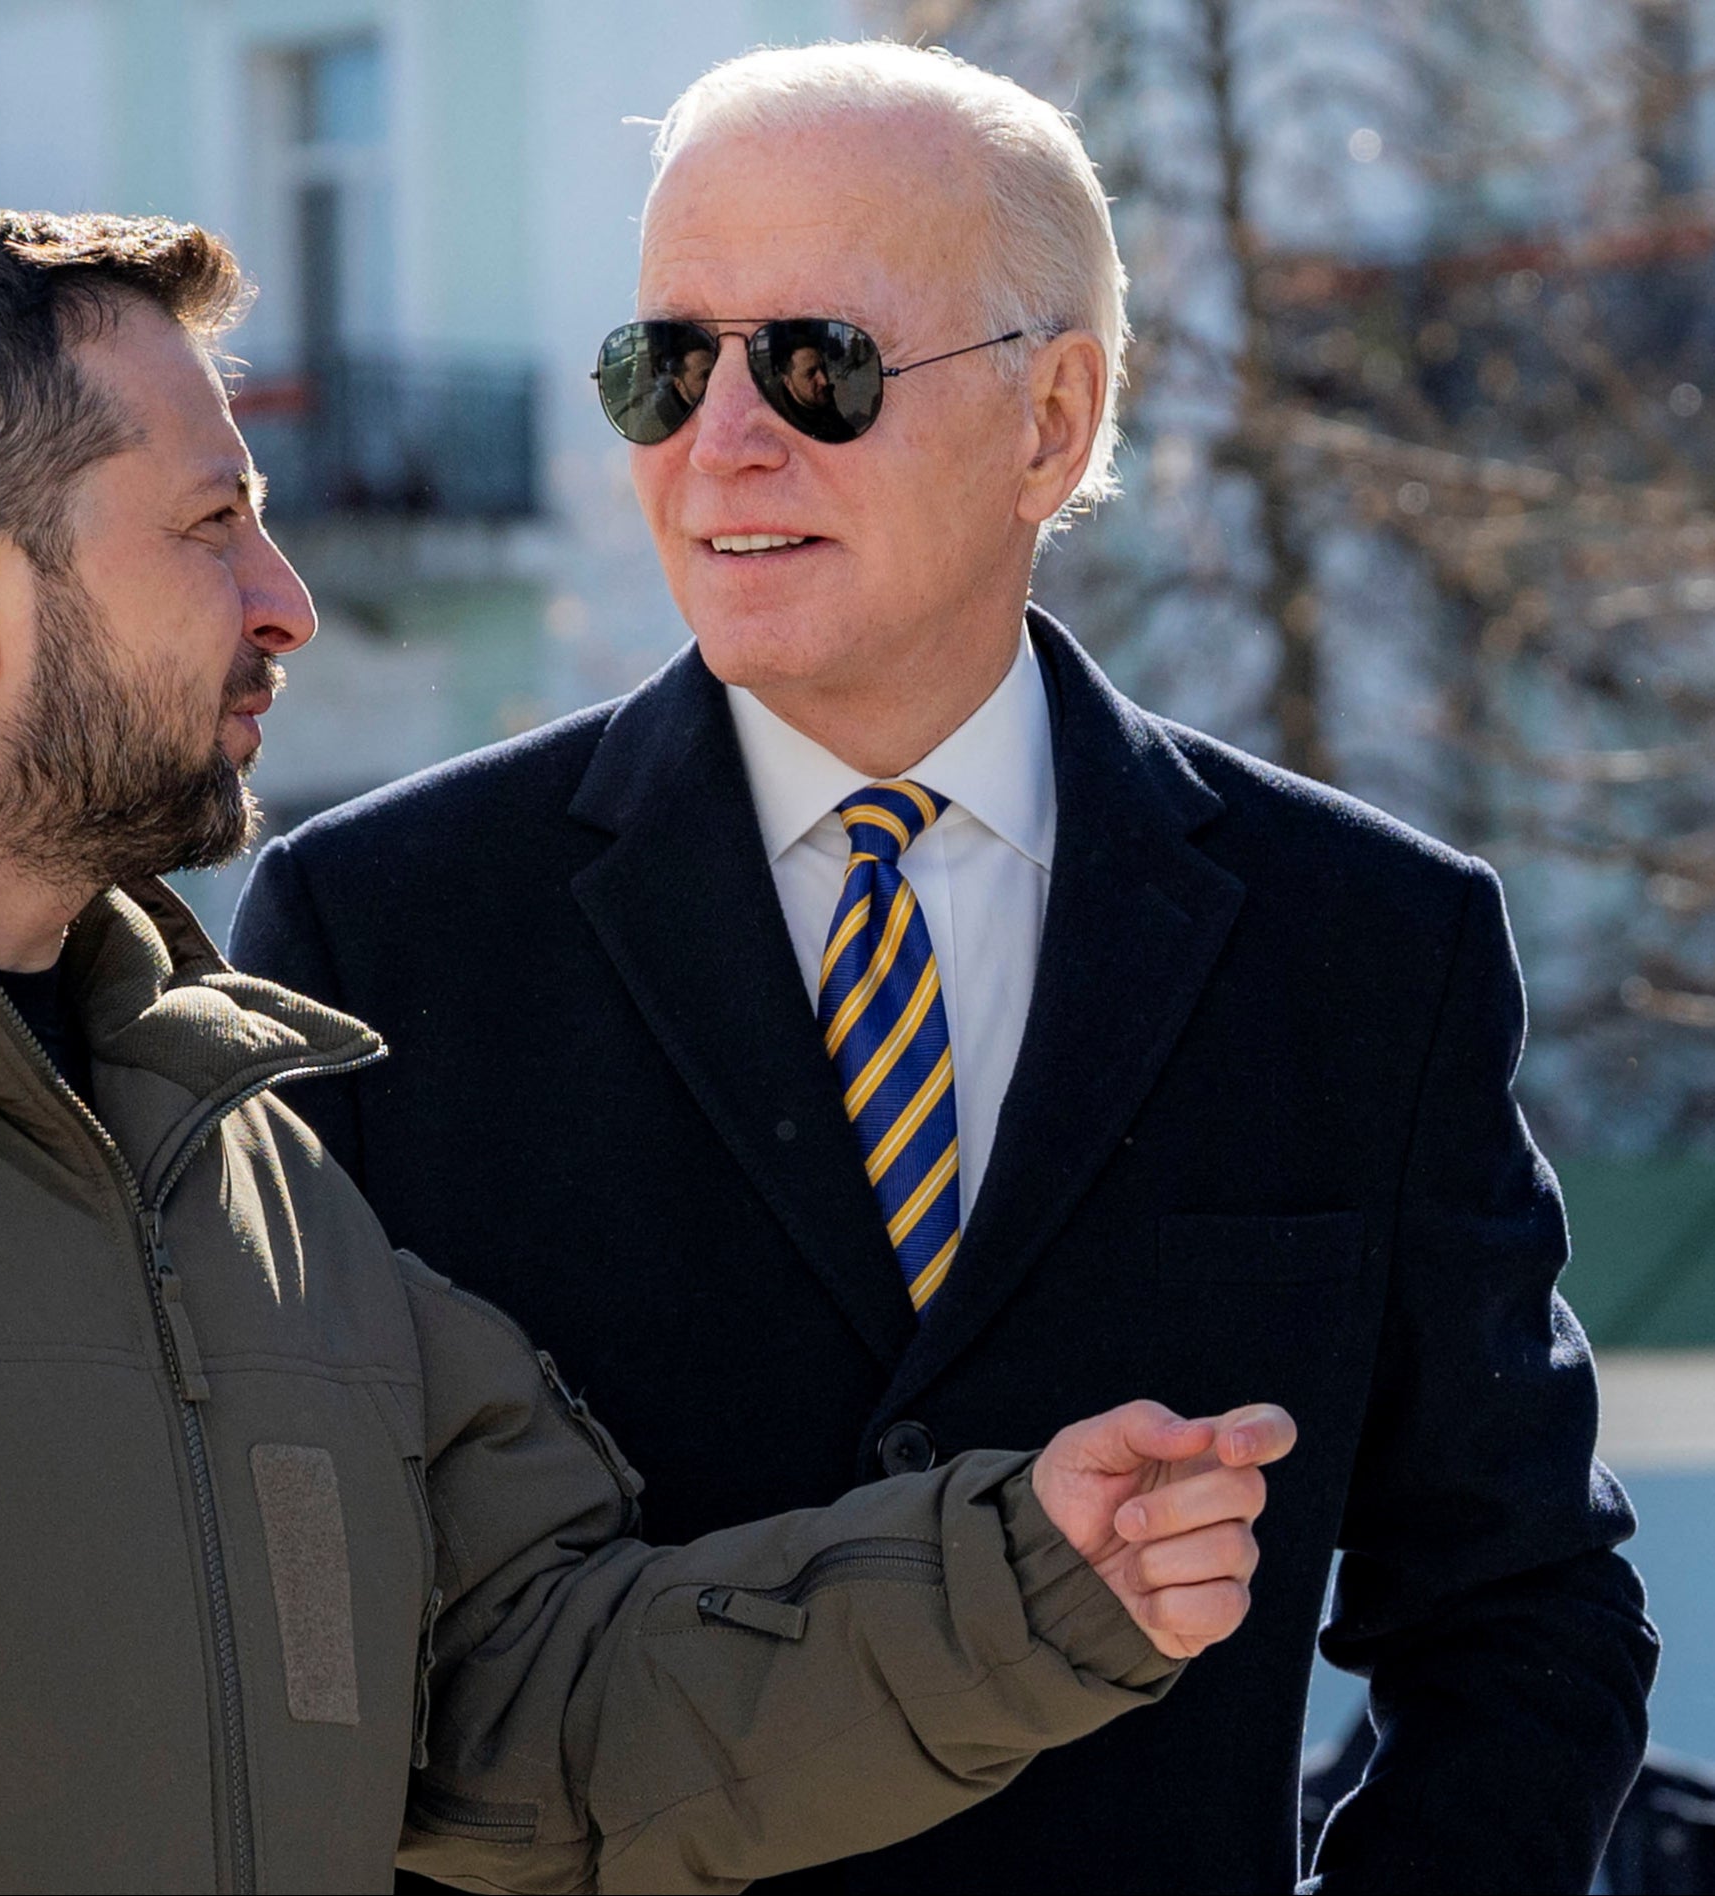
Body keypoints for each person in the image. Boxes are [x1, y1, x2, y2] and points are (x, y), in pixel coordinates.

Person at [0, 199, 1290, 1895]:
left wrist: (1015, 1586)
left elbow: (511, 1708)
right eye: (208, 525)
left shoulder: (233, 1163)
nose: (284, 596)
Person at [231, 41, 1657, 1896]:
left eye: (814, 366)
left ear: (1051, 419)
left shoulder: (1364, 940)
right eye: (662, 367)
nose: (720, 440)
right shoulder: (379, 930)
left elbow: (1522, 1612)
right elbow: (317, 1665)